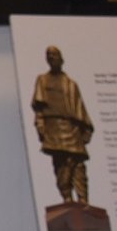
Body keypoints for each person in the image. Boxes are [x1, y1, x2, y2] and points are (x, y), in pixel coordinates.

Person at [32, 44, 94, 206]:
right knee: (62, 165)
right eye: (49, 55)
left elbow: (80, 108)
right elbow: (39, 109)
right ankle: (67, 197)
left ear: (61, 59)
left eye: (55, 55)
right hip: (54, 127)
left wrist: (85, 129)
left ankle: (83, 199)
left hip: (72, 128)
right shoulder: (42, 80)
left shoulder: (71, 84)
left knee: (78, 164)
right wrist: (40, 125)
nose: (52, 58)